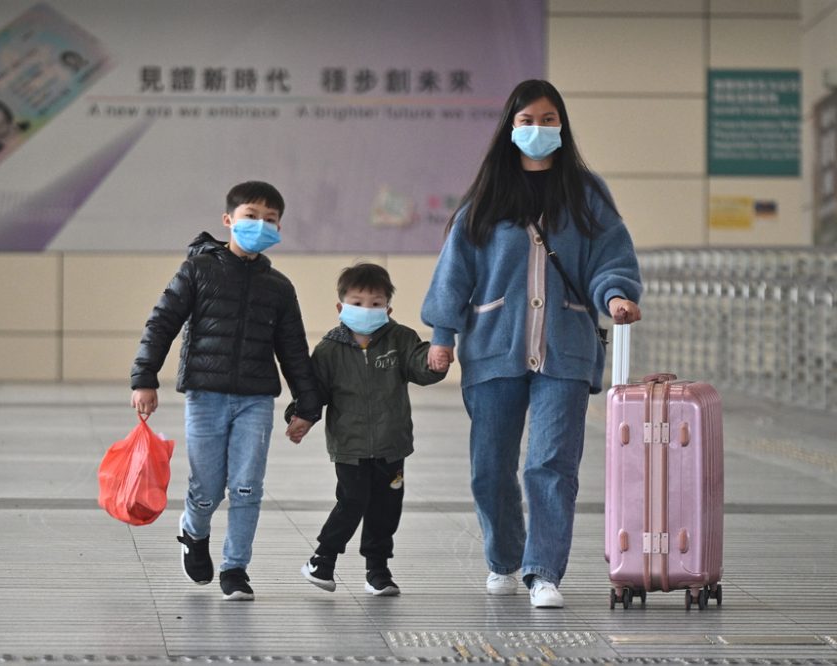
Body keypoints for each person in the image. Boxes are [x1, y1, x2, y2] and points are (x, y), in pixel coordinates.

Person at [420, 79, 643, 608]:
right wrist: (442, 335)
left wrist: (615, 296)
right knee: (490, 466)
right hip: (494, 348)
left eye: (547, 120)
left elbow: (610, 256)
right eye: (526, 121)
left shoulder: (587, 193)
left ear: (561, 126)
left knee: (550, 464)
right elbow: (456, 271)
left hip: (565, 348)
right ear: (509, 127)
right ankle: (504, 558)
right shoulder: (488, 196)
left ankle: (544, 572)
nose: (537, 129)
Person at [130, 180, 322, 601]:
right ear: (228, 220)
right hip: (206, 396)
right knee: (208, 488)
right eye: (251, 216)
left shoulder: (279, 287)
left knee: (247, 486)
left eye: (270, 220)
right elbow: (161, 323)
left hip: (255, 399)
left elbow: (293, 349)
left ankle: (236, 569)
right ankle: (193, 534)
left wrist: (308, 404)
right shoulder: (198, 270)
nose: (260, 225)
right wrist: (145, 377)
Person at [287, 263, 447, 596]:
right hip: (350, 446)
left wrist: (435, 361)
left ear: (388, 308)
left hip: (392, 444)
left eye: (375, 304)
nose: (367, 309)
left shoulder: (400, 339)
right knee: (353, 501)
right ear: (340, 307)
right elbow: (315, 391)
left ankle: (378, 570)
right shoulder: (329, 350)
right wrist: (301, 416)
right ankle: (323, 558)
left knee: (386, 509)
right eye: (357, 303)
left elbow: (419, 366)